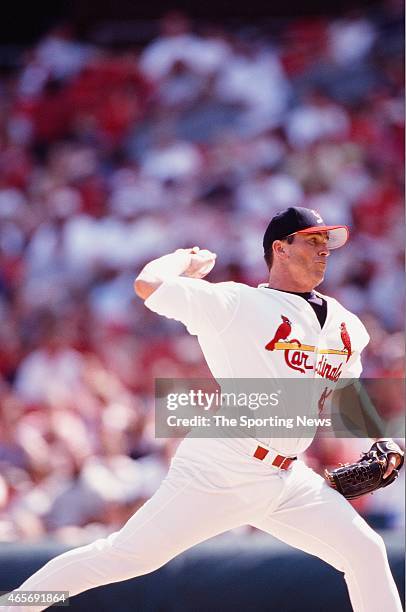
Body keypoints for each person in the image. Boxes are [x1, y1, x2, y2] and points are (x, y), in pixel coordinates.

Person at [4, 207, 403, 612]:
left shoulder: (346, 324)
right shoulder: (234, 303)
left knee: (365, 550)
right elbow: (148, 284)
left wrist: (379, 436)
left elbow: (347, 388)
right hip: (222, 466)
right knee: (121, 557)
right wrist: (185, 258)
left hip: (288, 477)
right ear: (280, 249)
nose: (324, 250)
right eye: (313, 240)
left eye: (327, 243)